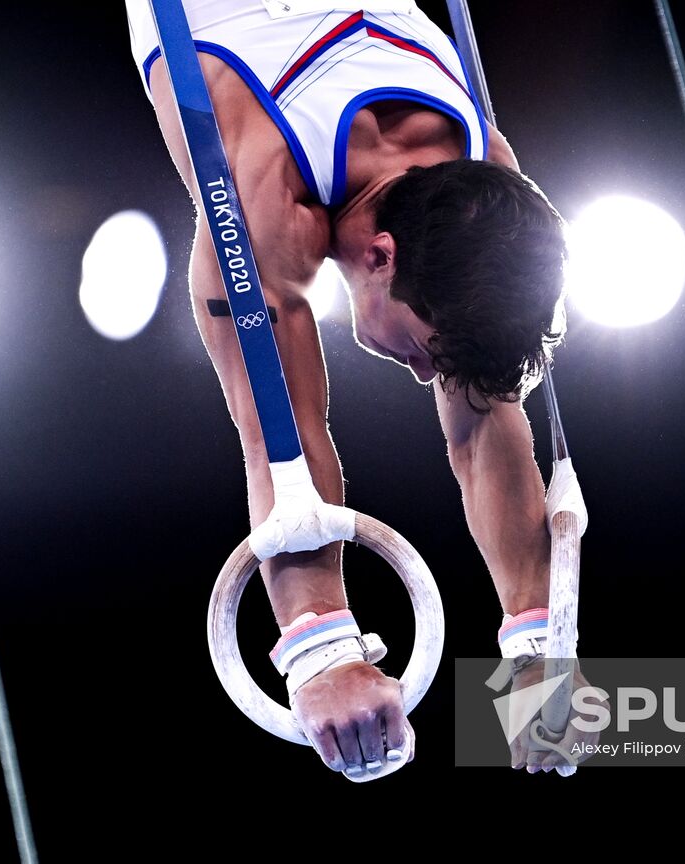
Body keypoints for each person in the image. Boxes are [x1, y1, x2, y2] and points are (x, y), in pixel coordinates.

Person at [123, 0, 600, 779]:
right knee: (274, 390)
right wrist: (322, 646)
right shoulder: (260, 210)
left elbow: (484, 421)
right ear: (379, 256)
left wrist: (539, 641)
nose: (422, 370)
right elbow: (280, 441)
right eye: (425, 349)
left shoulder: (488, 196)